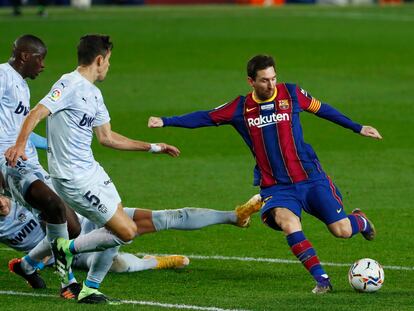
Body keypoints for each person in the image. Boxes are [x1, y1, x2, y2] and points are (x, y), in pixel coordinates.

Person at [4, 34, 261, 304]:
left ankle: (85, 284)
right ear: (100, 59)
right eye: (109, 61)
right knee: (125, 231)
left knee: (117, 228)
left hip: (94, 173)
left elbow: (108, 138)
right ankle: (65, 249)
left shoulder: (94, 94)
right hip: (73, 179)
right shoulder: (69, 83)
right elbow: (37, 112)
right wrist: (20, 145)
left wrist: (152, 147)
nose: (109, 67)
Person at [147, 54, 383, 294]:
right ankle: (322, 279)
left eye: (273, 78)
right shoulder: (240, 108)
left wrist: (358, 127)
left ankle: (360, 221)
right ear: (251, 81)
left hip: (310, 177)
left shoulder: (291, 94)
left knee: (341, 230)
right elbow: (205, 117)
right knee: (288, 222)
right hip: (276, 186)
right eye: (264, 80)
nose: (271, 85)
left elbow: (323, 110)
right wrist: (166, 121)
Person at [2, 193, 261, 296]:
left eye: (1, 197)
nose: (2, 204)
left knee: (166, 216)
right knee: (120, 265)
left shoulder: (22, 190)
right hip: (74, 255)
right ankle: (155, 262)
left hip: (88, 220)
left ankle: (234, 216)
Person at [0, 34, 82, 297]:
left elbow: (18, 128)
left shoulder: (21, 86)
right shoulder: (2, 76)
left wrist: (52, 144)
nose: (43, 65)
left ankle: (27, 265)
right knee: (55, 207)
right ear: (25, 56)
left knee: (73, 228)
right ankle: (67, 281)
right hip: (10, 165)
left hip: (30, 163)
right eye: (40, 58)